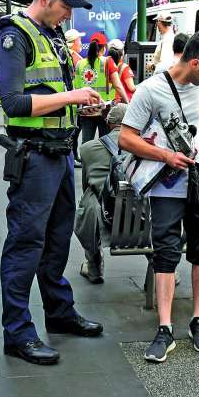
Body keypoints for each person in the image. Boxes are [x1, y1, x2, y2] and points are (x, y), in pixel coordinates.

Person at [0, 0, 105, 365]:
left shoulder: (53, 35)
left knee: (58, 239)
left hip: (60, 155)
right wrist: (72, 97)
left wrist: (81, 103)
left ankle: (59, 313)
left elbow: (54, 94)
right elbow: (14, 103)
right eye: (65, 7)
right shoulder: (13, 35)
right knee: (26, 244)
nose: (68, 15)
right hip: (34, 157)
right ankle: (18, 333)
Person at [119, 30, 199, 363]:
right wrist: (165, 156)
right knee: (166, 253)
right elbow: (126, 139)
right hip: (167, 183)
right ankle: (164, 328)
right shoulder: (150, 90)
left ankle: (198, 320)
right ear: (194, 62)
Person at [74, 104, 126, 283]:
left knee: (89, 199)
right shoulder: (146, 146)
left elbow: (85, 184)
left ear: (108, 123)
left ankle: (94, 266)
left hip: (103, 218)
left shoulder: (87, 149)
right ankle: (164, 269)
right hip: (140, 220)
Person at [73, 33, 130, 144]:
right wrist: (127, 103)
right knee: (106, 143)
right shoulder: (108, 62)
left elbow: (76, 87)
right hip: (104, 110)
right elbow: (117, 85)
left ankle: (86, 161)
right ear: (104, 48)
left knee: (86, 143)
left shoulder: (80, 64)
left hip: (86, 111)